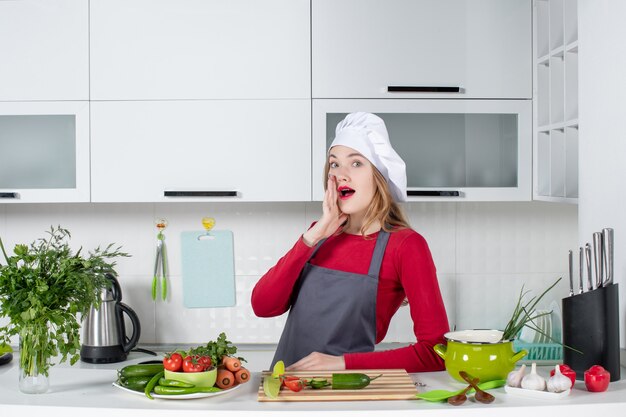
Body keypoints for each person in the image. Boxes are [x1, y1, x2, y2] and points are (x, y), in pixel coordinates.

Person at [251, 112, 449, 373]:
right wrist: (312, 237)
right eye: (334, 164)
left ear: (379, 177)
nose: (341, 174)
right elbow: (263, 306)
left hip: (349, 393)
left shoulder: (406, 246)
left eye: (356, 163)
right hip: (288, 389)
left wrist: (343, 363)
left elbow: (437, 352)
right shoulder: (319, 235)